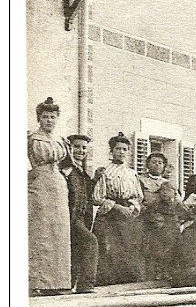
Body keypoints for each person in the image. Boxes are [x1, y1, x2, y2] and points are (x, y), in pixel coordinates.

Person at [28, 97, 72, 294]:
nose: (49, 121)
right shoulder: (34, 139)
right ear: (39, 118)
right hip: (40, 186)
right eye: (45, 117)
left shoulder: (59, 140)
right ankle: (40, 282)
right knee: (42, 232)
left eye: (52, 117)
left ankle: (58, 281)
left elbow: (66, 161)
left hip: (58, 186)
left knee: (59, 233)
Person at [92, 132, 144, 286]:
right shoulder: (104, 172)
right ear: (111, 151)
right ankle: (106, 283)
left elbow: (138, 196)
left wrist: (132, 207)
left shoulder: (132, 173)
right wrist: (117, 207)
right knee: (109, 248)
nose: (121, 152)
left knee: (128, 247)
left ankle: (126, 283)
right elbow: (97, 197)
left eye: (125, 149)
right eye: (118, 149)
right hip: (110, 215)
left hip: (127, 216)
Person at [138, 152, 186, 281]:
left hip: (169, 221)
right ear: (148, 164)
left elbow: (178, 202)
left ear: (164, 166)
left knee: (170, 247)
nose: (157, 165)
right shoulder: (141, 180)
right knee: (151, 248)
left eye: (160, 163)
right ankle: (150, 275)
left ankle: (168, 273)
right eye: (154, 162)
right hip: (148, 218)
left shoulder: (168, 183)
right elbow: (138, 200)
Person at [60, 133, 98, 293]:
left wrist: (95, 179)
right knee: (90, 242)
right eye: (76, 147)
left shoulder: (81, 171)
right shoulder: (65, 169)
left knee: (76, 250)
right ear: (69, 148)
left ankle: (70, 285)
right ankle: (85, 284)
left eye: (84, 147)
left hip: (82, 217)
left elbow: (88, 194)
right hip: (70, 217)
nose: (80, 151)